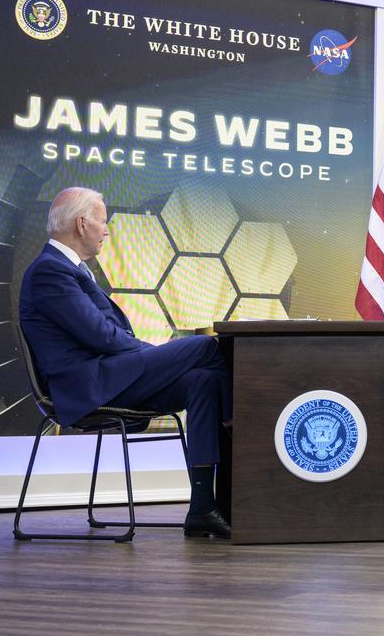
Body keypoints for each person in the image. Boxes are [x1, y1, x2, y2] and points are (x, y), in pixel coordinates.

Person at [18, 187, 233, 539]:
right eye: (103, 221)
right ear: (82, 223)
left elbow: (104, 335)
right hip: (91, 386)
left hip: (115, 376)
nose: (107, 230)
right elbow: (99, 335)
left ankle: (202, 508)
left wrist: (150, 355)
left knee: (203, 382)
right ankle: (236, 428)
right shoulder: (49, 271)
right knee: (207, 348)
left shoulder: (70, 269)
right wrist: (150, 353)